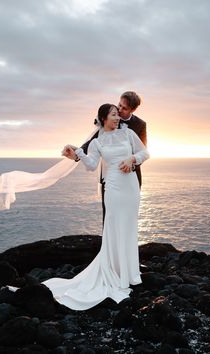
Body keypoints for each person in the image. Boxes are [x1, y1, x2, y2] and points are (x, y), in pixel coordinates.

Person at [39, 103, 149, 310]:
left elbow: (145, 153)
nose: (118, 118)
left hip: (131, 186)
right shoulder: (97, 142)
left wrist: (132, 158)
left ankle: (130, 273)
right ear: (103, 118)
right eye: (114, 115)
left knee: (129, 226)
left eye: (118, 115)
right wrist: (78, 152)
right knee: (114, 226)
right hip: (114, 187)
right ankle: (115, 272)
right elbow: (91, 165)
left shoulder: (128, 134)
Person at [63, 91, 147, 223]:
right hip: (110, 177)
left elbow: (142, 150)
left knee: (129, 215)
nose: (119, 110)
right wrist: (77, 154)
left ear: (133, 109)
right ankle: (108, 243)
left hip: (131, 177)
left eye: (124, 108)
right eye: (119, 105)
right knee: (109, 215)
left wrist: (132, 163)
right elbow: (94, 141)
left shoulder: (140, 125)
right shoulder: (110, 115)